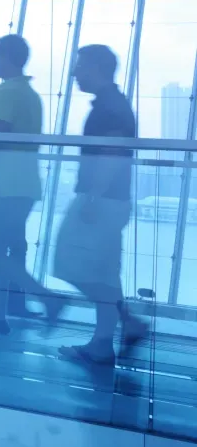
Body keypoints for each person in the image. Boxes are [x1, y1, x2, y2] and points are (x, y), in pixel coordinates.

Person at [53, 45, 150, 364]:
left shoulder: (110, 106)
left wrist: (93, 195)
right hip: (113, 200)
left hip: (102, 200)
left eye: (80, 66)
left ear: (97, 67)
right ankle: (105, 341)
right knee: (106, 273)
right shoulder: (113, 103)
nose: (74, 72)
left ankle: (124, 325)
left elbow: (111, 153)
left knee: (68, 261)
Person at [0, 34, 62, 334]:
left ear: (8, 57)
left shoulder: (7, 94)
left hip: (2, 185)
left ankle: (44, 297)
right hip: (24, 184)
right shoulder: (31, 95)